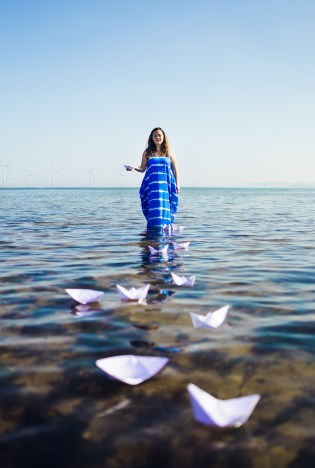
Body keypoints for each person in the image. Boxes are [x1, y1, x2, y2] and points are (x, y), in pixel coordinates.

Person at [127, 127, 180, 228]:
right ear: (152, 138)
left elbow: (175, 169)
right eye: (155, 135)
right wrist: (134, 168)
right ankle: (152, 236)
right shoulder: (147, 152)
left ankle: (165, 233)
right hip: (152, 187)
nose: (157, 137)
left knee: (165, 207)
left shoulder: (170, 152)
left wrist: (178, 184)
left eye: (159, 135)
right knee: (153, 208)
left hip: (166, 186)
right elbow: (142, 168)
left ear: (163, 137)